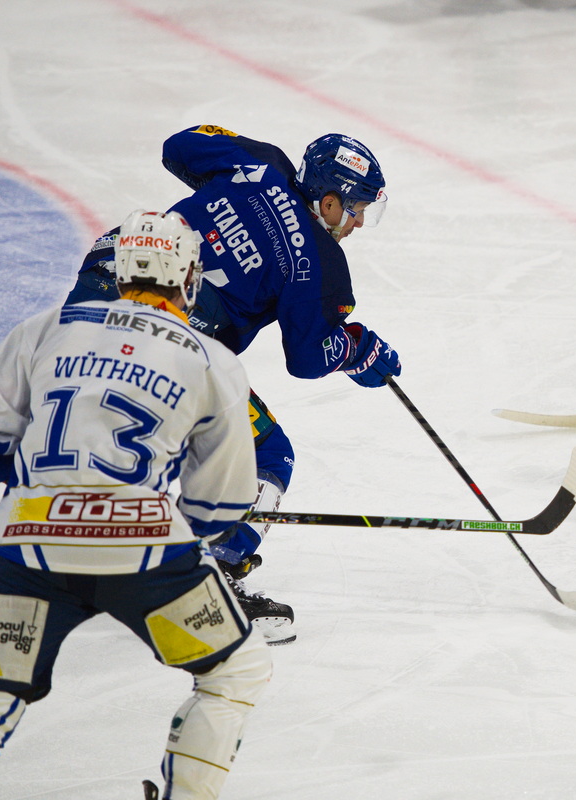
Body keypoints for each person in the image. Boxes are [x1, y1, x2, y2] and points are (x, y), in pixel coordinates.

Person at [65, 125, 403, 644]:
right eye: (355, 209)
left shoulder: (260, 163)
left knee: (61, 424)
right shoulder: (319, 262)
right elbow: (309, 358)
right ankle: (205, 583)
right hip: (169, 350)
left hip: (101, 286)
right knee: (267, 454)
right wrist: (359, 351)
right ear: (329, 201)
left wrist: (230, 200)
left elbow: (179, 146)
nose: (357, 223)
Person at [0, 210, 271, 799]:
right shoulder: (211, 359)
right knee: (235, 670)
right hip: (143, 554)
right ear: (189, 277)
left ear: (121, 271)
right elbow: (220, 506)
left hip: (27, 546)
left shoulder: (43, 330)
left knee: (0, 683)